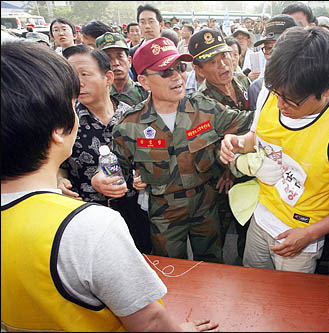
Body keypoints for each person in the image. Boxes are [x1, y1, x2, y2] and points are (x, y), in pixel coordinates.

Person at [1, 40, 218, 332]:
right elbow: (149, 320)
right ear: (58, 132)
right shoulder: (91, 228)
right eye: (69, 104)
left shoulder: (137, 113)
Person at [219, 26, 329, 274]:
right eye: (276, 94)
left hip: (301, 239)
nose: (280, 105)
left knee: (289, 305)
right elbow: (257, 136)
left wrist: (309, 235)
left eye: (291, 100)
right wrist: (237, 142)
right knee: (252, 287)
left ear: (328, 89)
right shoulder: (273, 93)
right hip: (259, 219)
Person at [111, 37, 253, 263]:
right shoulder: (130, 126)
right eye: (166, 72)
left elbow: (249, 122)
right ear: (144, 82)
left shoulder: (205, 108)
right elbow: (115, 166)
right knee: (170, 268)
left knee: (212, 264)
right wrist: (105, 178)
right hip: (164, 212)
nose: (177, 76)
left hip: (206, 205)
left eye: (180, 68)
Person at [58, 44, 152, 254]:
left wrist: (143, 176)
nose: (78, 82)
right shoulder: (65, 120)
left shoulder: (134, 116)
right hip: (86, 215)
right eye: (72, 75)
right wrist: (59, 180)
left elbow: (149, 158)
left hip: (132, 211)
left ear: (108, 78)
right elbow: (57, 164)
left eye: (84, 74)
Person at [189, 28, 253, 264]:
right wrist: (227, 167)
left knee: (248, 237)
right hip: (219, 182)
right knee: (215, 240)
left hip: (249, 174)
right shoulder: (200, 100)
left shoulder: (243, 81)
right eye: (213, 62)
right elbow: (207, 144)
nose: (223, 65)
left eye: (225, 56)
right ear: (198, 69)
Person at [248, 14, 300, 111]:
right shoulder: (257, 89)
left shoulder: (314, 85)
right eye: (268, 48)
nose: (273, 55)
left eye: (279, 47)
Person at [95, 32, 149, 108]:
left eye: (120, 56)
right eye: (108, 58)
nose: (115, 63)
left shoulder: (145, 93)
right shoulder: (97, 96)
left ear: (129, 61)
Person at [129, 4, 165, 81]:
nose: (147, 26)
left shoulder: (169, 49)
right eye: (143, 22)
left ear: (161, 24)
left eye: (151, 21)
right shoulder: (133, 52)